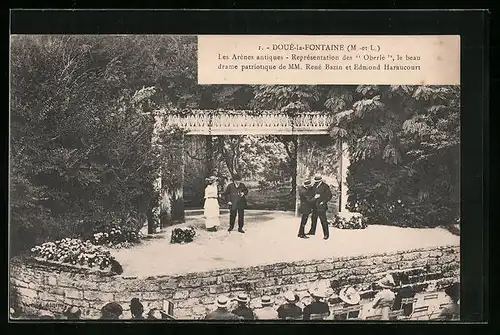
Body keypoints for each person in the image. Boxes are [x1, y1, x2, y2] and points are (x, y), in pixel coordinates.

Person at [307, 174, 333, 240]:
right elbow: (312, 193)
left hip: (321, 206)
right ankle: (312, 231)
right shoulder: (315, 185)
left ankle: (326, 234)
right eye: (316, 181)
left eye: (318, 181)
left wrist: (323, 202)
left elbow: (329, 196)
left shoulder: (325, 186)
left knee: (323, 220)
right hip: (315, 206)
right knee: (313, 219)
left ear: (320, 180)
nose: (316, 182)